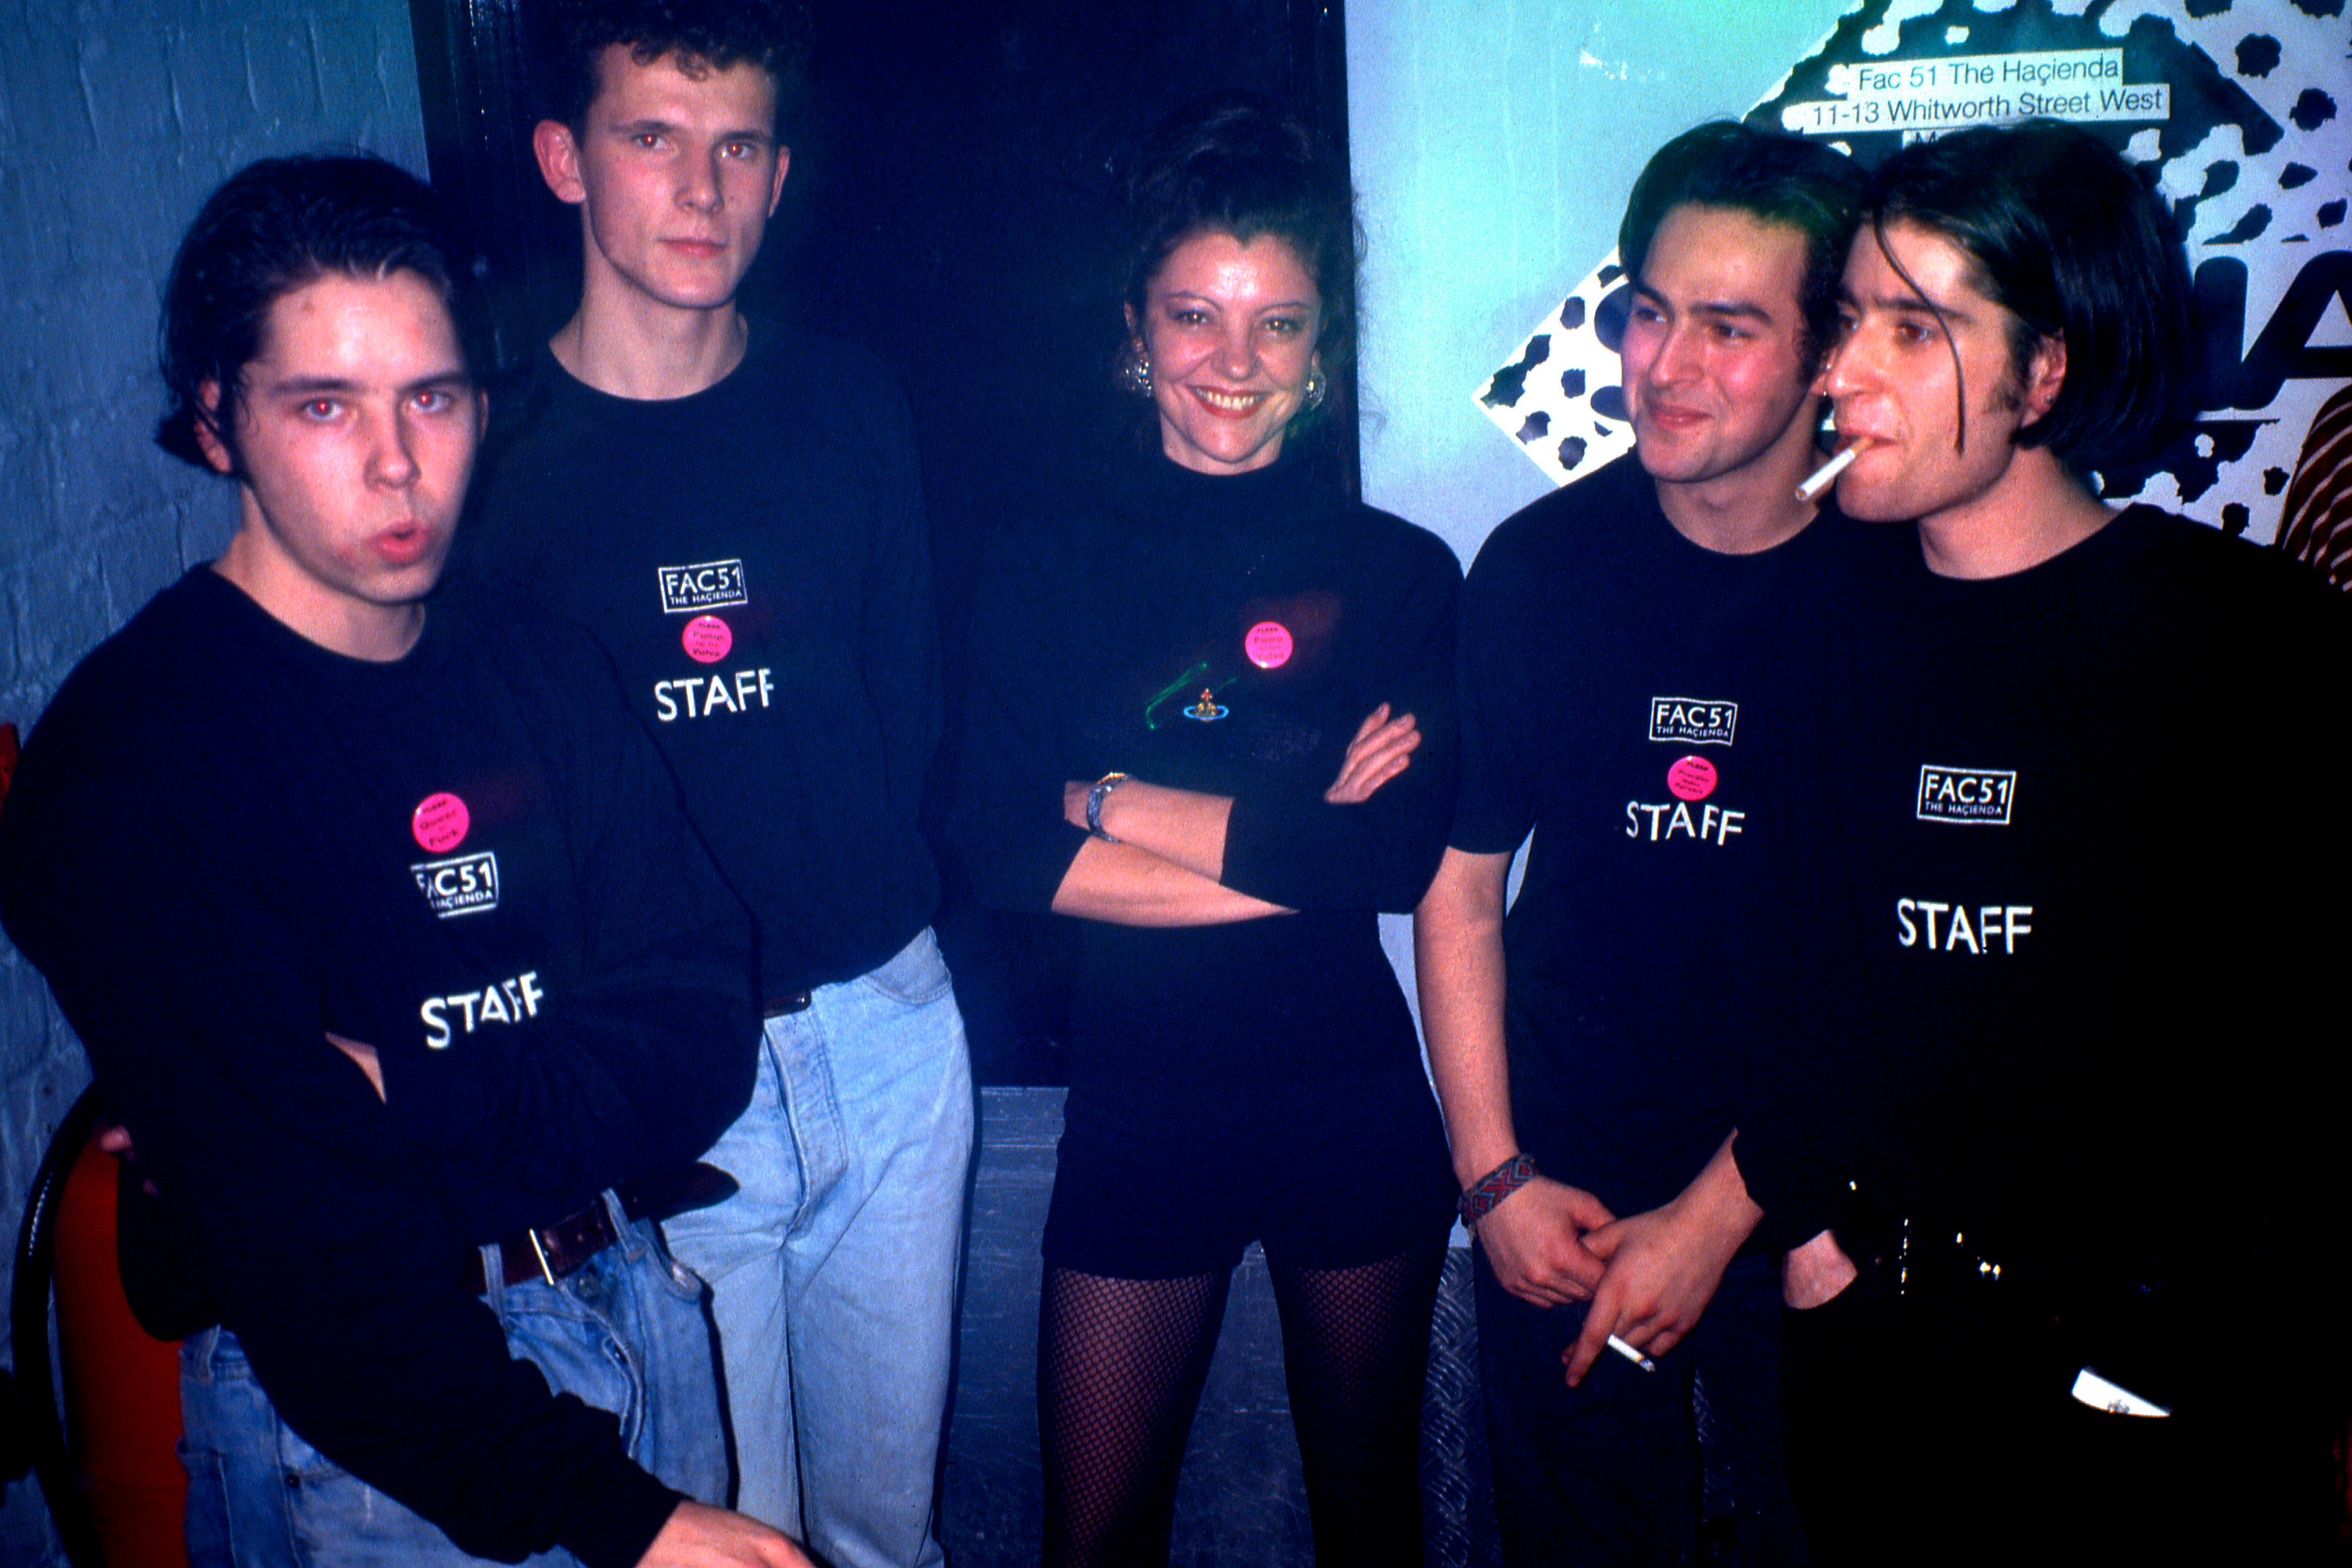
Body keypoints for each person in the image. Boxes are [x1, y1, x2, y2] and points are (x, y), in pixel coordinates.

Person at [0, 154, 810, 1568]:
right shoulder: (133, 767)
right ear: (214, 425)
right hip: (375, 1442)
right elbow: (316, 1259)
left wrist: (406, 1085)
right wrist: (616, 1520)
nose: (396, 462)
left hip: (640, 1298)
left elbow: (700, 1033)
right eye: (325, 406)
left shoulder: (540, 667)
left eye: (431, 398)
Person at [1777, 117, 2347, 1564]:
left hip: (2152, 1414)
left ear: (2047, 369)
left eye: (1914, 331)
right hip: (1874, 1372)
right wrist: (1812, 1248)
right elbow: (1805, 980)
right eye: (1849, 322)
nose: (1839, 375)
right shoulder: (1823, 619)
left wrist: (2174, 1360)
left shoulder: (2243, 645)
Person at [456, 5, 973, 1563]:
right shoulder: (490, 456)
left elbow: (910, 710)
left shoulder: (849, 404)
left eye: (737, 145)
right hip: (668, 1079)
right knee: (729, 1543)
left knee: (888, 1539)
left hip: (888, 1035)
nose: (701, 188)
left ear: (779, 172)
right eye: (653, 138)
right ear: (566, 160)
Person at [951, 95, 1459, 1567]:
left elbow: (1393, 863)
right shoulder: (1041, 558)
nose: (1234, 364)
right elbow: (997, 855)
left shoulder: (1400, 570)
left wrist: (1103, 803)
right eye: (1196, 316)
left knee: (1374, 1527)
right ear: (1136, 330)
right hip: (1141, 1108)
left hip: (1352, 1104)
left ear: (1322, 350)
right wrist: (1302, 839)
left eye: (1280, 325)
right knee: (1094, 1540)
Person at [1413, 122, 1867, 1565]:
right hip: (1571, 1194)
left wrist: (1734, 1209)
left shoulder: (1895, 581)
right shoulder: (1544, 568)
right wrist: (1493, 1180)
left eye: (1729, 328)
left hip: (1813, 1192)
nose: (1664, 368)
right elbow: (1462, 884)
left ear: (1823, 351)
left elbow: (1907, 973)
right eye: (1649, 314)